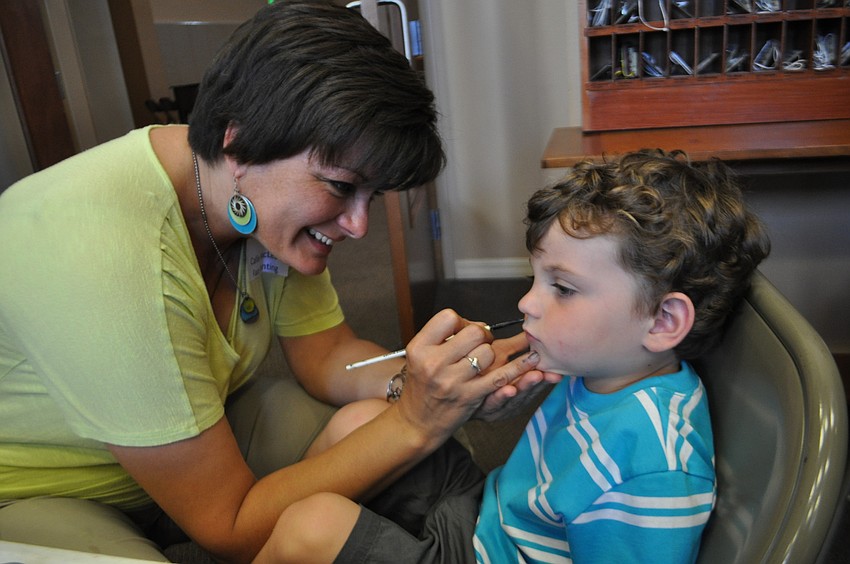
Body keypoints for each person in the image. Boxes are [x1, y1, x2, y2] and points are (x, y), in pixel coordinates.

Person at [0, 3, 548, 561]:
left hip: (200, 430)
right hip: (43, 484)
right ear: (239, 144)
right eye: (340, 187)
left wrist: (439, 386)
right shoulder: (104, 255)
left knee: (371, 427)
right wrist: (418, 420)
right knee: (395, 440)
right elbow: (229, 526)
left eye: (372, 197)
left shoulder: (254, 205)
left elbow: (329, 355)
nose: (359, 226)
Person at [257, 149, 771, 563]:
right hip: (491, 515)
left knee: (314, 528)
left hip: (493, 550)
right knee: (361, 422)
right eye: (536, 280)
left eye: (563, 289)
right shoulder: (604, 363)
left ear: (662, 322)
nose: (526, 302)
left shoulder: (650, 474)